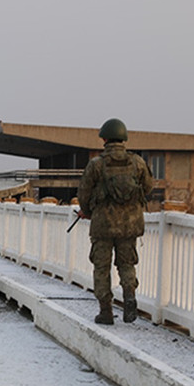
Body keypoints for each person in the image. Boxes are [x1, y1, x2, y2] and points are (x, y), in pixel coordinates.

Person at [78, 118, 153, 325]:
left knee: (101, 267)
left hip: (103, 225)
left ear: (104, 138)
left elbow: (83, 193)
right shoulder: (137, 162)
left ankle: (106, 312)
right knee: (126, 264)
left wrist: (87, 211)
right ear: (124, 137)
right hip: (130, 225)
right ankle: (129, 295)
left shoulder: (97, 164)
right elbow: (148, 187)